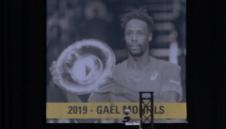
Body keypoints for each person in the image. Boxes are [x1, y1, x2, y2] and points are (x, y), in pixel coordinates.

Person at [52, 8, 183, 103]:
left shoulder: (170, 69)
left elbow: (169, 107)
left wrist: (124, 91)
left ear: (149, 37)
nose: (134, 38)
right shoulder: (110, 74)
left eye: (140, 33)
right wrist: (67, 88)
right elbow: (86, 117)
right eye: (129, 33)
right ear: (124, 38)